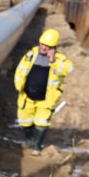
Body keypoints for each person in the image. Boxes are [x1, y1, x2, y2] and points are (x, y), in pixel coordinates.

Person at [14, 28, 74, 156]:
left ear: (54, 47)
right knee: (25, 120)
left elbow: (69, 70)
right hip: (27, 97)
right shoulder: (31, 55)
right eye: (42, 44)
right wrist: (19, 86)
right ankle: (29, 140)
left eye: (48, 46)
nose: (44, 48)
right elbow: (20, 69)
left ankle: (37, 146)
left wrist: (53, 61)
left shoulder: (59, 59)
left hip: (45, 100)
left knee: (41, 123)